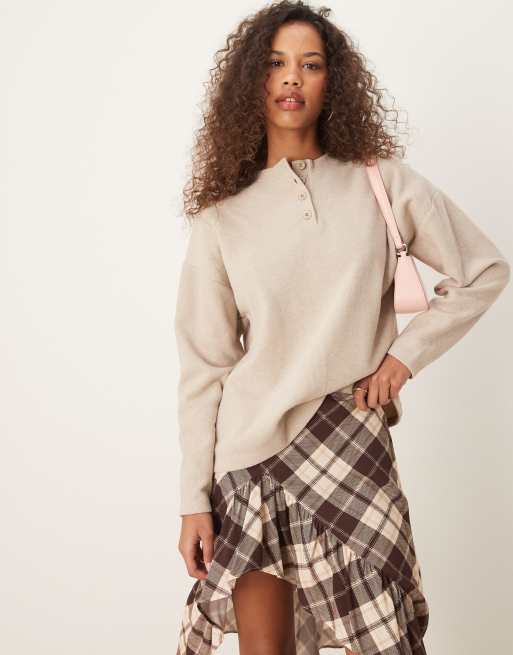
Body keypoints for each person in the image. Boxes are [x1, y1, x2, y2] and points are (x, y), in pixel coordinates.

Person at [173, 3, 510, 655]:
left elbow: (483, 270)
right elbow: (204, 365)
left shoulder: (382, 184)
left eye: (311, 64)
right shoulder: (222, 217)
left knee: (386, 641)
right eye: (275, 63)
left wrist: (404, 357)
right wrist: (194, 498)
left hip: (351, 438)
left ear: (334, 81)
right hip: (251, 460)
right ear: (251, 81)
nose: (291, 78)